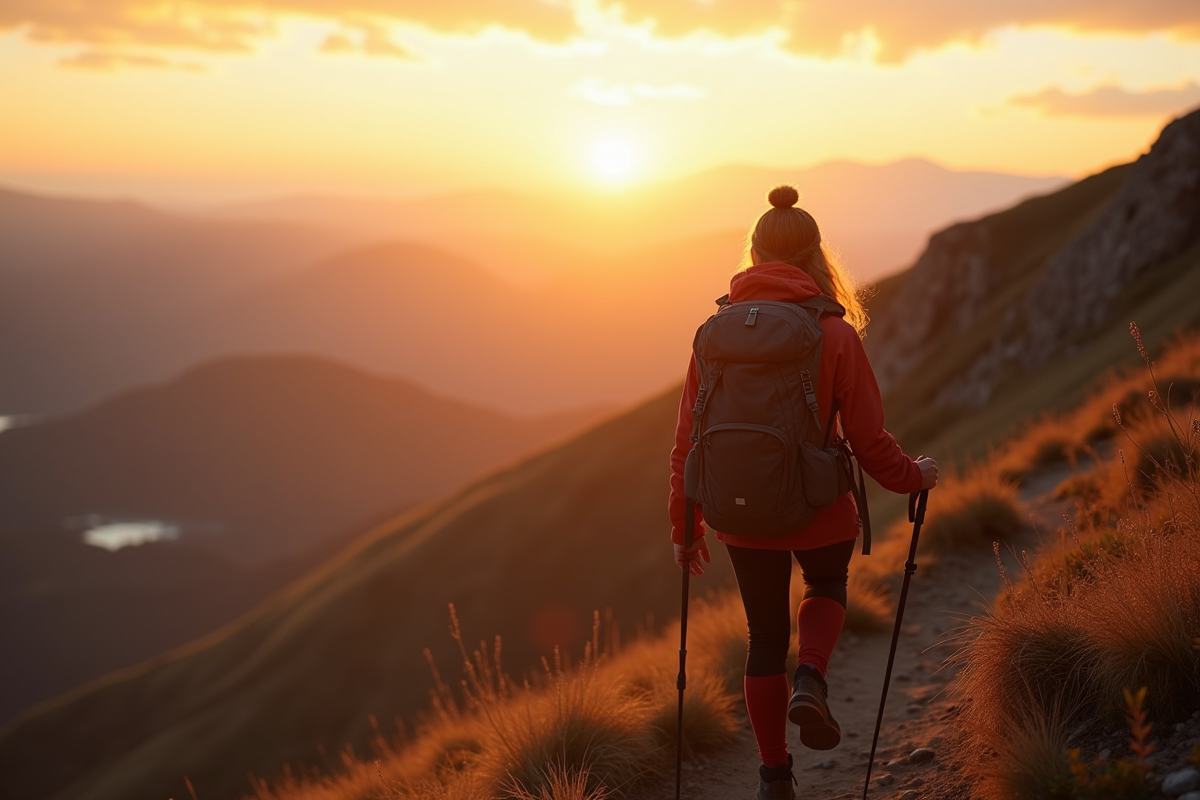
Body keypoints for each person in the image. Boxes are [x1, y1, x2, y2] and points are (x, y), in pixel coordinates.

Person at [667, 185, 939, 800]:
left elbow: (687, 442)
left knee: (763, 637)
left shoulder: (710, 333)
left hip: (738, 510)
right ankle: (811, 677)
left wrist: (687, 530)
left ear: (755, 253)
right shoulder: (835, 334)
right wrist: (912, 477)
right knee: (824, 585)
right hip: (818, 507)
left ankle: (773, 776)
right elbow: (870, 441)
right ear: (816, 255)